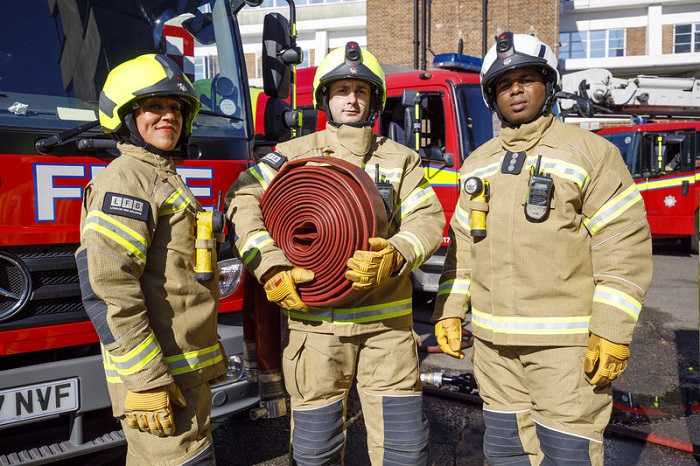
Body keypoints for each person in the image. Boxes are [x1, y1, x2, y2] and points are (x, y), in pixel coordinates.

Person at [432, 32, 653, 465]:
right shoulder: (478, 163)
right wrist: (450, 311)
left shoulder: (590, 154)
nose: (514, 89)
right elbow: (462, 249)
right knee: (505, 452)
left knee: (568, 454)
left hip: (565, 351)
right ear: (492, 97)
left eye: (526, 78)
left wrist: (610, 330)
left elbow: (622, 247)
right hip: (494, 350)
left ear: (548, 85)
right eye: (503, 83)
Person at [226, 42, 444, 465]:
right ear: (324, 98)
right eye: (342, 89)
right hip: (315, 331)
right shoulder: (291, 156)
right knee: (314, 451)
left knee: (404, 450)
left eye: (361, 91)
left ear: (374, 100)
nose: (352, 99)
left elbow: (428, 221)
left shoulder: (401, 160)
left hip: (387, 332)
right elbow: (240, 199)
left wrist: (397, 254)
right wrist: (271, 266)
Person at [76, 54, 226, 465]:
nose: (169, 117)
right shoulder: (127, 178)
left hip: (179, 373)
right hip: (157, 380)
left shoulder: (159, 174)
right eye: (154, 107)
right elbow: (108, 287)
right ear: (126, 116)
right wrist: (144, 382)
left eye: (176, 108)